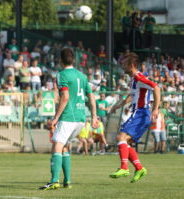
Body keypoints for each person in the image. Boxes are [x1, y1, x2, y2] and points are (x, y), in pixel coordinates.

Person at [39, 48, 98, 190]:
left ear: (60, 60)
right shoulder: (82, 76)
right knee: (64, 146)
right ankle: (67, 181)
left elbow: (65, 97)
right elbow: (91, 96)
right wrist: (94, 116)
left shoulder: (61, 75)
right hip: (81, 118)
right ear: (74, 60)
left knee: (57, 145)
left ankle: (54, 180)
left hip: (68, 117)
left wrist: (55, 118)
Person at [109, 53, 160, 183]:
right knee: (125, 143)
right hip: (138, 113)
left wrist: (155, 109)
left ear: (131, 66)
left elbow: (156, 88)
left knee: (121, 137)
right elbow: (132, 95)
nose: (122, 66)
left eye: (125, 64)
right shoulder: (133, 80)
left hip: (141, 113)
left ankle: (124, 168)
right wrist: (119, 105)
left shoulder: (139, 78)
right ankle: (139, 168)